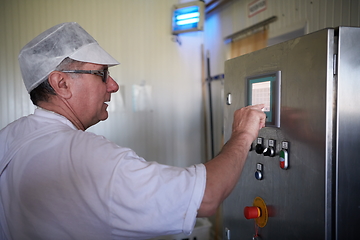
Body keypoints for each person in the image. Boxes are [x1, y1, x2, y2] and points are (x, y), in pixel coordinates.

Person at [0, 22, 266, 240]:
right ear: (61, 83)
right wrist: (242, 135)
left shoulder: (9, 138)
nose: (113, 86)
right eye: (102, 74)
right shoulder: (88, 157)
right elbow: (206, 197)